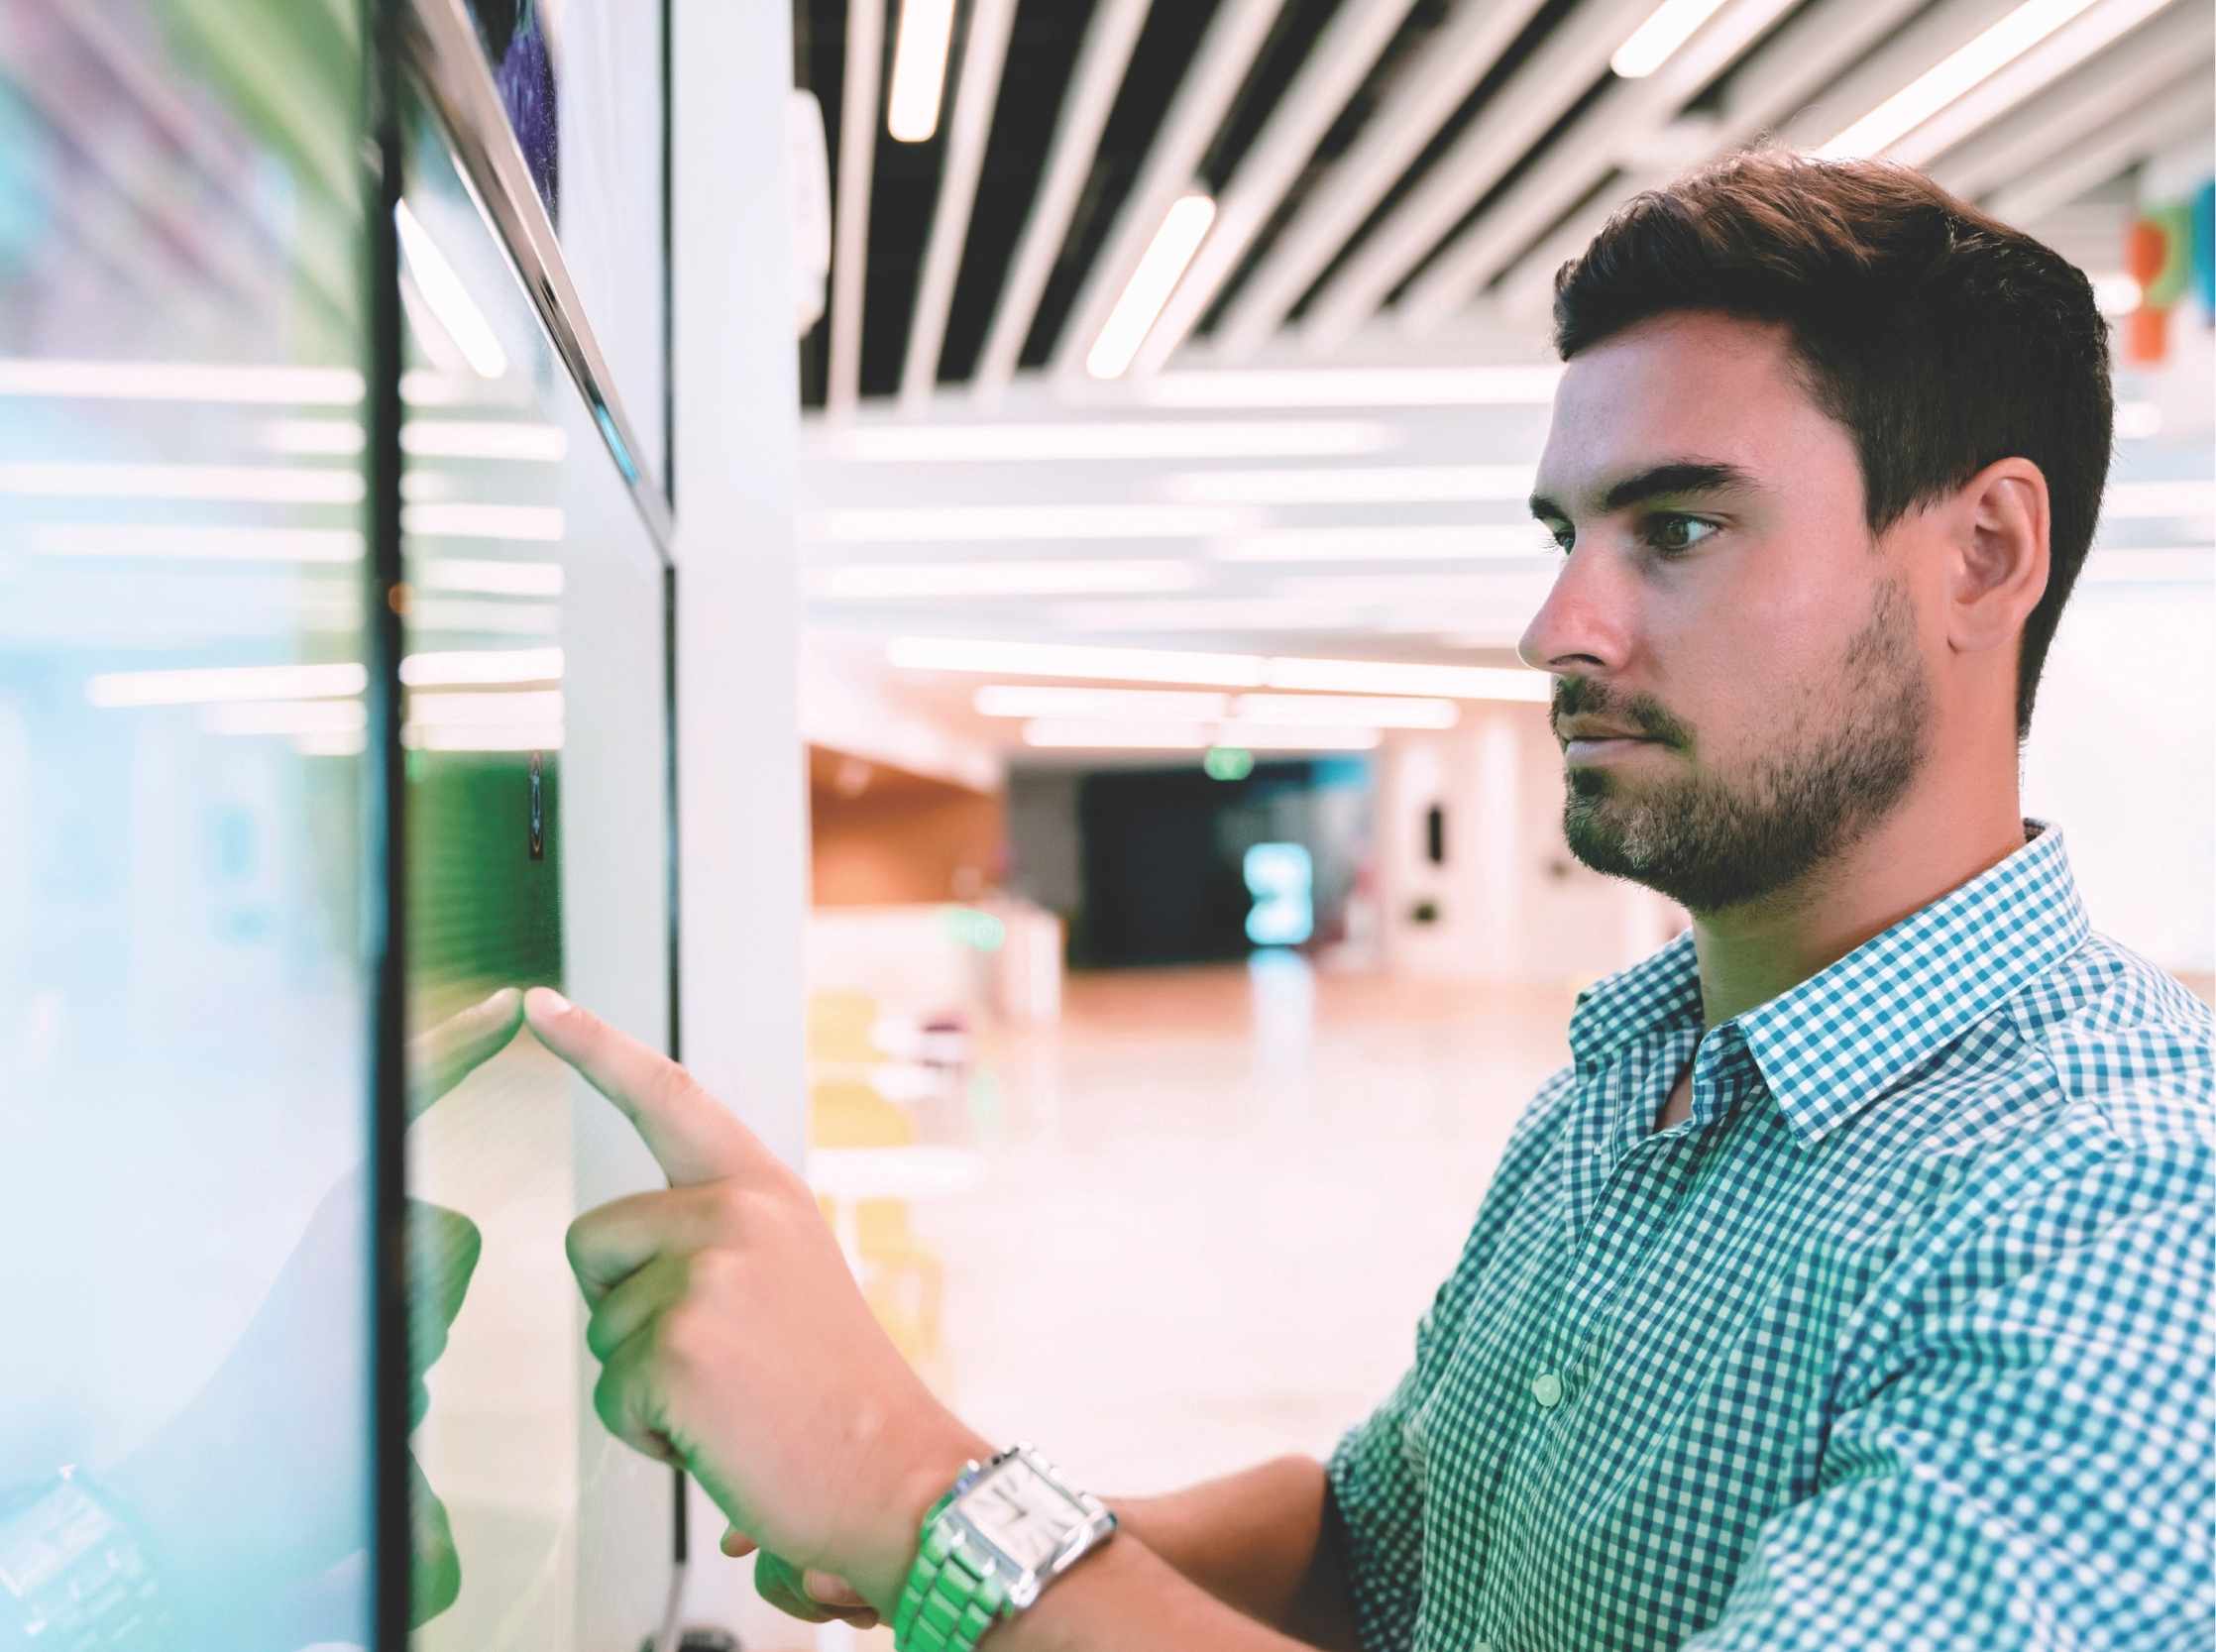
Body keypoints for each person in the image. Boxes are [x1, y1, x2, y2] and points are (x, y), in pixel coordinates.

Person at [527, 149, 2214, 1652]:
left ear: (1983, 555)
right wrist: (950, 1506)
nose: (1558, 626)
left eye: (1681, 528)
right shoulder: (1629, 1090)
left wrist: (912, 1492)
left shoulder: (2121, 1220)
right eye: (1565, 534)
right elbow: (1386, 1544)